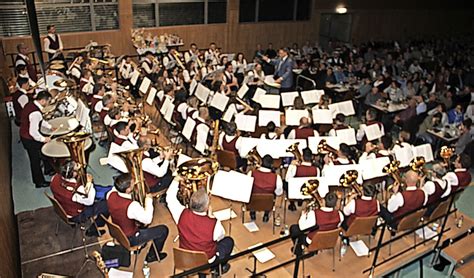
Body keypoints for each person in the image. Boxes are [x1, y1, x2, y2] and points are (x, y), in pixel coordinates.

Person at [166, 182, 233, 275]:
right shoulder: (214, 224)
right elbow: (221, 236)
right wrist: (212, 217)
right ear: (206, 207)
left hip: (185, 258)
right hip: (206, 262)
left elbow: (169, 197)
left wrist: (176, 179)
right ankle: (217, 269)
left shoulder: (181, 213)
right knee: (229, 241)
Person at [106, 173, 168, 262]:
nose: (134, 184)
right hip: (131, 237)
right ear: (128, 190)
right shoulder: (132, 206)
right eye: (132, 184)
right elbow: (148, 219)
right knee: (163, 230)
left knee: (140, 222)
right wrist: (148, 200)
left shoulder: (110, 194)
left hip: (117, 230)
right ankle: (152, 256)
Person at [50, 161, 109, 237]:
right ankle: (93, 230)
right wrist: (89, 182)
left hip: (62, 207)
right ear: (73, 173)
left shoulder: (54, 178)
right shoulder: (78, 190)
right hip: (76, 215)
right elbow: (89, 202)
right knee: (107, 205)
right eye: (77, 167)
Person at [20, 91, 54, 188]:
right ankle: (39, 182)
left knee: (43, 153)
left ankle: (48, 169)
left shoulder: (31, 104)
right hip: (29, 139)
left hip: (25, 136)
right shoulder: (35, 113)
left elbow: (41, 120)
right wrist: (44, 139)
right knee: (35, 161)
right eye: (48, 101)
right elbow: (33, 132)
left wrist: (49, 126)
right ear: (43, 101)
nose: (48, 104)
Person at [248, 155, 283, 222]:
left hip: (253, 202)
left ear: (261, 163)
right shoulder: (277, 177)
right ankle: (266, 215)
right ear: (272, 165)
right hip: (268, 203)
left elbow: (246, 188)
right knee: (273, 194)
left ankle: (252, 213)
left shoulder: (251, 173)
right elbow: (279, 193)